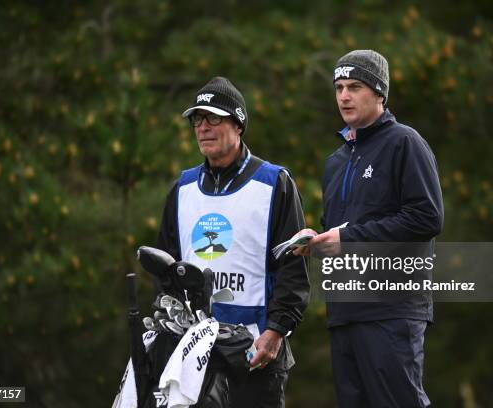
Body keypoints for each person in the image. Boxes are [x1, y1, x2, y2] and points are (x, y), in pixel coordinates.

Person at [295, 50, 444, 407]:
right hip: (345, 311)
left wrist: (348, 239)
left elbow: (427, 217)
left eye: (355, 87)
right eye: (339, 88)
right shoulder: (336, 161)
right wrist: (315, 239)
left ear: (380, 93)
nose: (344, 96)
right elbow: (343, 226)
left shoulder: (405, 142)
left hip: (391, 310)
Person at [156, 76, 310, 408]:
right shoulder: (182, 188)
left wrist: (277, 330)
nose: (203, 127)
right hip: (193, 355)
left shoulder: (274, 183)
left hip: (256, 353)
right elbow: (169, 271)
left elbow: (294, 267)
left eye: (213, 117)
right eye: (197, 119)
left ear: (238, 124)